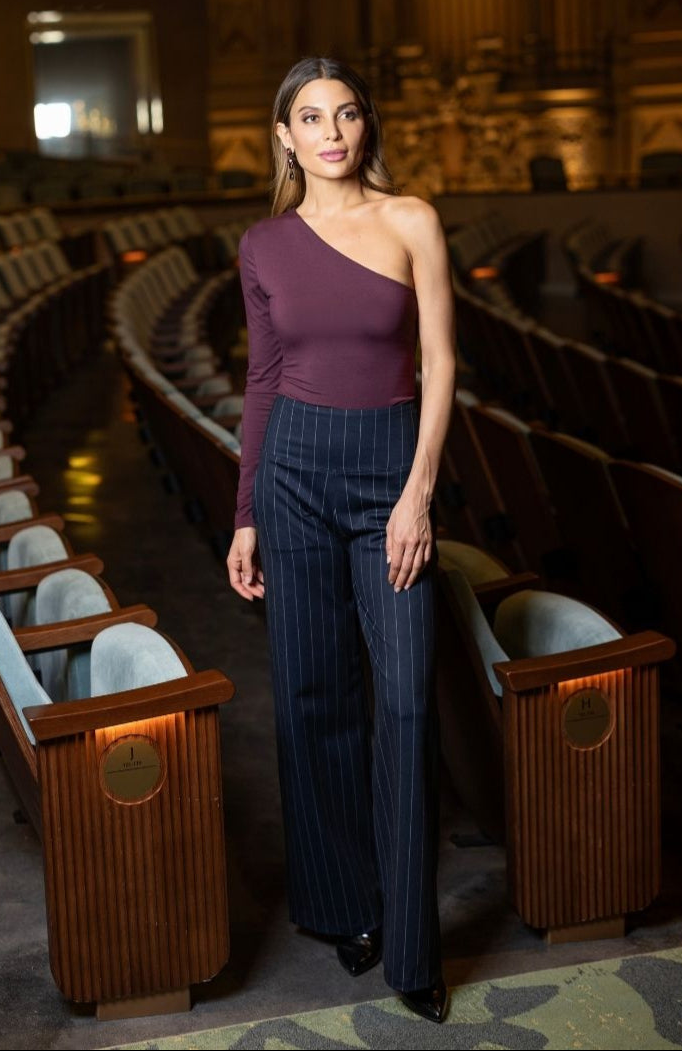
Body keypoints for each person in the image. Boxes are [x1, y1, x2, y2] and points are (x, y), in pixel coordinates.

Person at [226, 56, 456, 1023]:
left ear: (366, 126)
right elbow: (262, 381)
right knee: (312, 697)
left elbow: (441, 361)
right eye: (310, 118)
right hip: (291, 476)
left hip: (389, 471)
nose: (331, 132)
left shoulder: (410, 220)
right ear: (284, 136)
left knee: (404, 703)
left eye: (346, 114)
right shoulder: (263, 244)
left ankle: (411, 942)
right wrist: (244, 511)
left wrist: (418, 495)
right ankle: (341, 905)